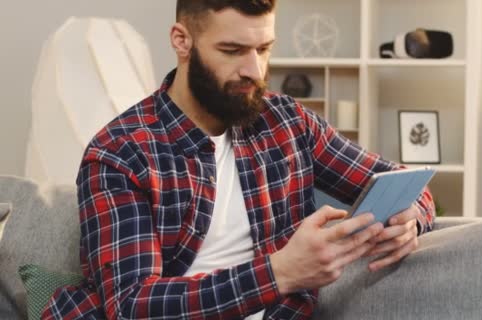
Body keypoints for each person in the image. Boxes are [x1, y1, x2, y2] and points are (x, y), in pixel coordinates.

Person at [42, 0, 435, 319]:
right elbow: (131, 305)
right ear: (182, 41)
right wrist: (279, 273)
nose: (254, 70)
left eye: (263, 49)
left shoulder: (287, 122)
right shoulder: (119, 152)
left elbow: (404, 181)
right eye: (232, 51)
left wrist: (409, 220)